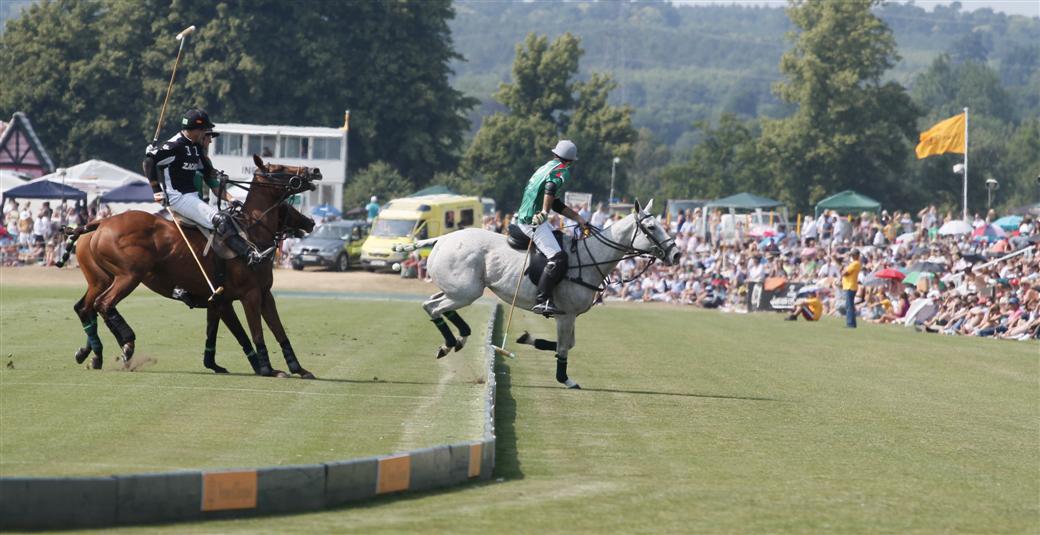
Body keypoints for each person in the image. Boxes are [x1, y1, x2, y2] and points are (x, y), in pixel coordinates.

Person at [144, 108, 263, 265]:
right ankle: (248, 255)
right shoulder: (174, 146)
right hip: (178, 197)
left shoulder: (195, 146)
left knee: (223, 221)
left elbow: (208, 171)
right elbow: (148, 163)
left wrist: (220, 178)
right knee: (220, 219)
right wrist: (156, 190)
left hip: (192, 196)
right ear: (196, 129)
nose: (207, 135)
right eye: (205, 130)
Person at [515, 139, 588, 317]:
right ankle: (542, 300)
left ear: (555, 154)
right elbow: (551, 187)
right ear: (570, 160)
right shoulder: (562, 170)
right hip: (532, 220)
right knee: (559, 257)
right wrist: (544, 212)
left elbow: (555, 202)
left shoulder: (544, 167)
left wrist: (577, 217)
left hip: (526, 216)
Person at [841, 249, 861, 327]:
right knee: (849, 306)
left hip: (850, 286)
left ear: (857, 255)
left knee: (849, 306)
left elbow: (845, 273)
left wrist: (843, 271)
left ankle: (850, 324)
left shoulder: (855, 263)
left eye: (853, 255)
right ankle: (852, 323)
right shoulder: (852, 263)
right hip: (849, 286)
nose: (852, 256)